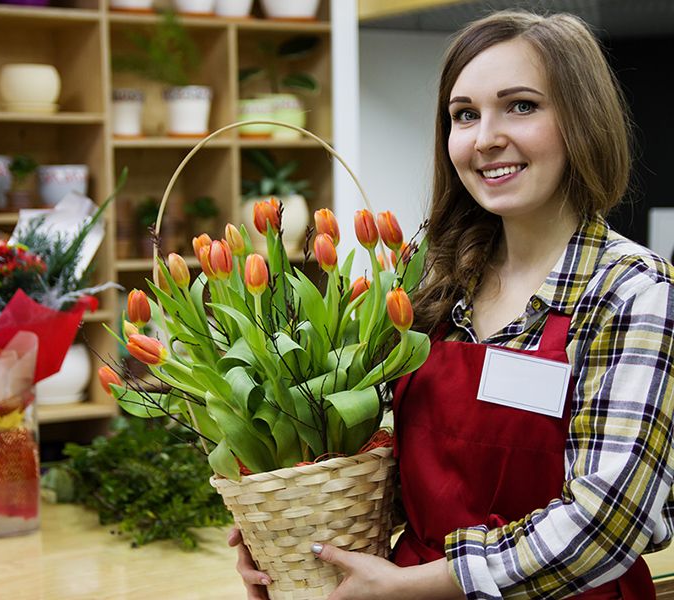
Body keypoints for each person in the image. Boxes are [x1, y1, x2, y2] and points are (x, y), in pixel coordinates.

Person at [230, 9, 674, 599]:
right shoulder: (435, 282)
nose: (486, 137)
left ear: (581, 120)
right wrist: (295, 530)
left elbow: (610, 518)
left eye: (521, 105)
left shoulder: (630, 291)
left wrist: (424, 585)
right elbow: (396, 469)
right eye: (464, 114)